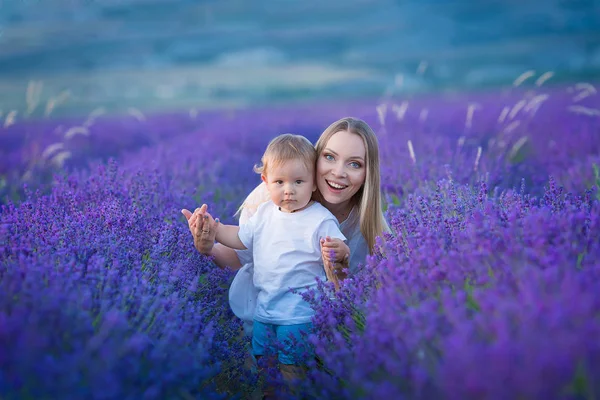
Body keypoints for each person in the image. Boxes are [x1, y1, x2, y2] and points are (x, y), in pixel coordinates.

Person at [182, 117, 389, 332]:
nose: (338, 172)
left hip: (315, 327)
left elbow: (364, 304)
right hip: (263, 316)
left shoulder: (371, 227)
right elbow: (239, 255)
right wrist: (207, 246)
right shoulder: (272, 200)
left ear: (368, 175)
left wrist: (338, 272)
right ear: (314, 159)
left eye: (355, 164)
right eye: (329, 157)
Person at [201, 134, 346, 394]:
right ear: (266, 182)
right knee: (266, 368)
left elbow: (338, 248)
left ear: (314, 183)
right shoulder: (264, 213)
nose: (288, 189)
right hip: (265, 311)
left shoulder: (320, 218)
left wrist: (340, 251)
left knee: (292, 371)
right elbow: (239, 238)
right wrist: (215, 228)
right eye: (280, 182)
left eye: (298, 181)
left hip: (299, 314)